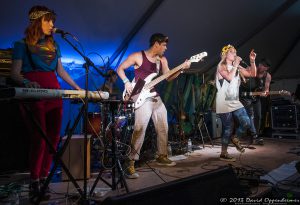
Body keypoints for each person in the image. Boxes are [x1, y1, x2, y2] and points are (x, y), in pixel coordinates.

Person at [10, 5, 81, 200]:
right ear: (36, 22)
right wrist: (27, 82)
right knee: (38, 139)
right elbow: (14, 74)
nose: (52, 24)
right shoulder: (21, 44)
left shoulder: (55, 45)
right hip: (35, 94)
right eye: (47, 20)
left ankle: (44, 179)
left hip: (54, 94)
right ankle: (35, 181)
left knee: (53, 139)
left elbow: (60, 71)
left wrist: (76, 87)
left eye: (53, 21)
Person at [117, 33, 191, 178]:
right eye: (164, 45)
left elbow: (168, 77)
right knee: (140, 129)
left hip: (154, 96)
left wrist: (182, 69)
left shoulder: (162, 60)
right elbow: (120, 69)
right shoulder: (138, 56)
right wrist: (126, 82)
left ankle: (162, 155)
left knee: (163, 126)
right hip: (141, 97)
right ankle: (130, 162)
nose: (166, 48)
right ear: (156, 44)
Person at [215, 44, 257, 162]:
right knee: (228, 127)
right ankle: (223, 153)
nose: (235, 54)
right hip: (223, 101)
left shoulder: (236, 67)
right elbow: (228, 77)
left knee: (247, 123)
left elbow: (253, 74)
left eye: (235, 52)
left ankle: (235, 137)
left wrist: (252, 61)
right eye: (232, 52)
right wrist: (236, 65)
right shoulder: (221, 66)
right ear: (225, 54)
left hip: (234, 100)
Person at [239, 58, 272, 145]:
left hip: (256, 97)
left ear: (267, 68)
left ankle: (255, 134)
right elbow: (240, 72)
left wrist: (265, 93)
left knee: (258, 115)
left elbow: (266, 89)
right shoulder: (251, 69)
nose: (261, 66)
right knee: (250, 115)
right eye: (260, 64)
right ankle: (254, 136)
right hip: (245, 96)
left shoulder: (267, 76)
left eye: (264, 66)